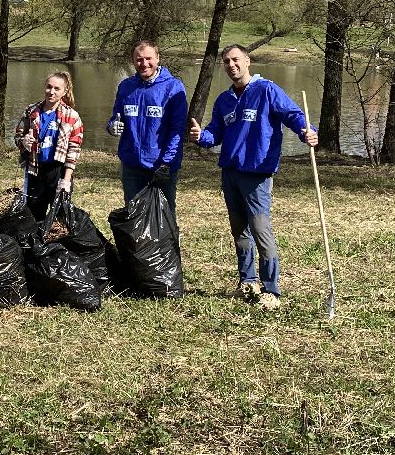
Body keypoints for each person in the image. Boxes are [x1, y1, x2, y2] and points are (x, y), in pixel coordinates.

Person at [188, 44, 318, 309]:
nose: (231, 65)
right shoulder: (224, 100)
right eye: (226, 61)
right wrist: (201, 137)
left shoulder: (267, 90)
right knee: (239, 232)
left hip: (257, 175)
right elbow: (216, 132)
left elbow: (292, 115)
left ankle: (271, 290)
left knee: (261, 230)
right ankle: (248, 281)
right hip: (230, 173)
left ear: (247, 61)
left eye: (235, 59)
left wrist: (307, 130)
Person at [106, 40, 188, 209]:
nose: (144, 64)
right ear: (133, 61)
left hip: (161, 165)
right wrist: (112, 126)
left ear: (158, 58)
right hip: (131, 165)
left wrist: (167, 163)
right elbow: (115, 116)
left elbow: (177, 130)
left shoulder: (173, 87)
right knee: (134, 216)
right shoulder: (125, 87)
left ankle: (169, 237)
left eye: (149, 58)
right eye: (139, 59)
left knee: (164, 216)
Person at [14, 70, 84, 222]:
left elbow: (74, 150)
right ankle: (34, 244)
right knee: (33, 215)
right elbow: (18, 136)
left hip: (58, 172)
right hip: (35, 169)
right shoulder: (31, 111)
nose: (51, 92)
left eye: (56, 89)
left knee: (59, 218)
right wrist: (23, 142)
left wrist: (66, 180)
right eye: (48, 87)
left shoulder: (72, 116)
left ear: (65, 91)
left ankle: (55, 245)